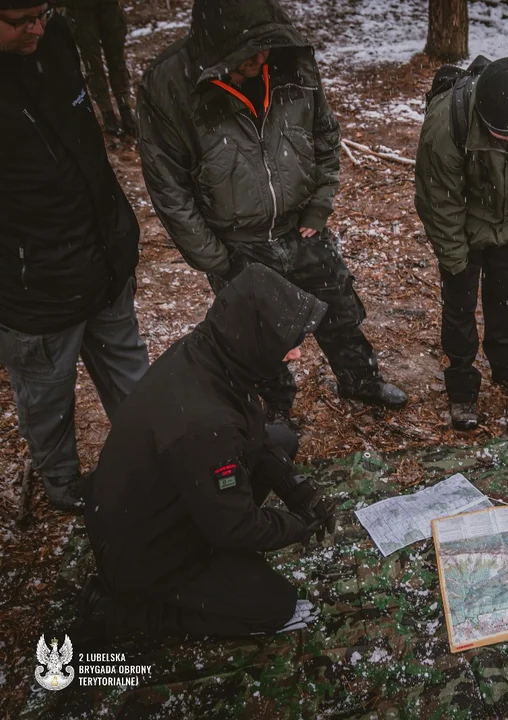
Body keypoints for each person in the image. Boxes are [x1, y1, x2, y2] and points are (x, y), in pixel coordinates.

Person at [137, 0, 405, 420]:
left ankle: (360, 380)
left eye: (267, 47)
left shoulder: (288, 60)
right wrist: (217, 259)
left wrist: (318, 207)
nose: (262, 59)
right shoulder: (169, 84)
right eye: (250, 51)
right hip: (238, 243)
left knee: (340, 309)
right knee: (259, 339)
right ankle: (275, 414)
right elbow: (169, 189)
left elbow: (325, 136)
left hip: (302, 226)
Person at [81, 266, 336, 640]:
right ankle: (121, 614)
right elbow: (235, 527)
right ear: (255, 340)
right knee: (274, 605)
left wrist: (296, 488)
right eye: (287, 343)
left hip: (163, 503)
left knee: (281, 441)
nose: (296, 355)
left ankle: (215, 562)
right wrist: (298, 525)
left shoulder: (211, 352)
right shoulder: (205, 426)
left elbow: (254, 432)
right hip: (149, 553)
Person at [1, 1, 148, 511]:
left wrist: (116, 235)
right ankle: (62, 486)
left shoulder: (56, 38)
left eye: (41, 12)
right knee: (47, 400)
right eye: (19, 21)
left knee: (135, 382)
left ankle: (155, 461)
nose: (36, 28)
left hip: (103, 258)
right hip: (33, 289)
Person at [415, 56, 508, 431]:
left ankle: (507, 370)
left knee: (505, 297)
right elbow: (439, 202)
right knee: (460, 307)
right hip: (463, 231)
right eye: (504, 134)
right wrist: (454, 259)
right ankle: (463, 388)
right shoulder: (445, 125)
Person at [64, 0, 135, 136]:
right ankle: (107, 112)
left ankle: (124, 107)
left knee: (117, 60)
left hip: (109, 7)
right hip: (79, 11)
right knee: (93, 65)